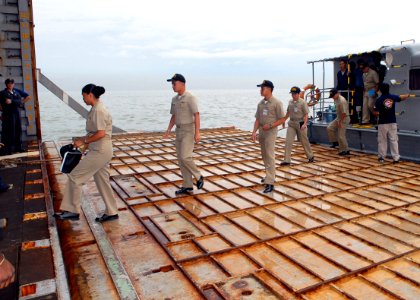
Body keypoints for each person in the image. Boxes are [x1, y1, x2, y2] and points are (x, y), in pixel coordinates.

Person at [54, 84, 118, 222]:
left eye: (83, 96)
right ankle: (112, 212)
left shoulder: (98, 111)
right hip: (101, 149)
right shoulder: (95, 109)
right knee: (102, 181)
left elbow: (101, 133)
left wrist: (83, 141)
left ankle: (72, 211)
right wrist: (84, 147)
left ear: (90, 95)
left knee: (75, 177)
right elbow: (94, 132)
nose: (83, 99)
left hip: (100, 151)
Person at [163, 74, 204, 195]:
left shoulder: (190, 97)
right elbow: (174, 116)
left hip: (188, 130)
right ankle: (187, 185)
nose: (173, 86)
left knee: (186, 156)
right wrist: (168, 130)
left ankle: (198, 176)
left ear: (182, 84)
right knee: (181, 159)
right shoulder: (174, 99)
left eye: (174, 83)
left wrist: (197, 133)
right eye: (172, 84)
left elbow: (196, 114)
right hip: (179, 130)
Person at [251, 80, 284, 193]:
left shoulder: (276, 103)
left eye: (262, 88)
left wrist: (270, 125)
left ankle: (270, 182)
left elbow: (282, 119)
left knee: (270, 155)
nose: (260, 90)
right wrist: (254, 131)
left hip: (271, 132)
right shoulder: (260, 104)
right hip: (262, 131)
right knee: (264, 155)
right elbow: (257, 119)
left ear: (269, 89)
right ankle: (268, 175)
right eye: (260, 88)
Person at [373, 83, 410, 163]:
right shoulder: (393, 97)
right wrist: (408, 95)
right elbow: (401, 97)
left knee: (382, 140)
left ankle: (382, 157)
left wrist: (381, 112)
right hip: (392, 122)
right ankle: (396, 158)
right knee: (394, 140)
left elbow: (375, 112)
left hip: (382, 123)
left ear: (381, 90)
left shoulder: (379, 100)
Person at [280, 86, 314, 166]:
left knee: (304, 141)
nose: (293, 95)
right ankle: (287, 160)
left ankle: (310, 156)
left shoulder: (303, 102)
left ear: (299, 94)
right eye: (292, 94)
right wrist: (284, 120)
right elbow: (288, 112)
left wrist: (305, 124)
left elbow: (306, 114)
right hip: (292, 123)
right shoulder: (290, 102)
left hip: (301, 122)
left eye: (295, 94)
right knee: (288, 141)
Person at [0, 78, 30, 155]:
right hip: (8, 114)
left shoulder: (16, 92)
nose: (10, 85)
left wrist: (12, 101)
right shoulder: (3, 93)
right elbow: (7, 102)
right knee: (9, 131)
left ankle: (18, 147)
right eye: (9, 83)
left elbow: (19, 101)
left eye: (12, 83)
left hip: (16, 113)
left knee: (18, 130)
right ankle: (7, 150)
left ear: (14, 84)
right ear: (6, 84)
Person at [327, 89, 350, 155]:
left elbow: (344, 113)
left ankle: (345, 150)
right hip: (339, 117)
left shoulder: (342, 101)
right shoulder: (335, 99)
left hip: (344, 118)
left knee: (341, 136)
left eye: (333, 96)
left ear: (337, 93)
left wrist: (340, 122)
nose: (332, 97)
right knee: (330, 127)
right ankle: (335, 142)